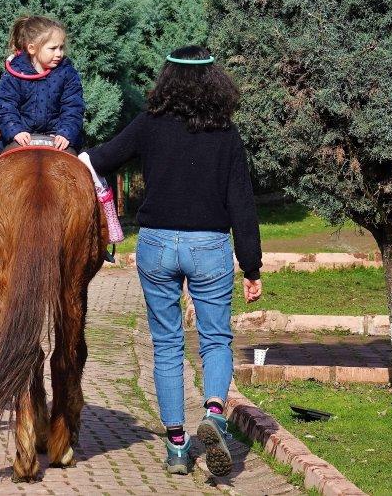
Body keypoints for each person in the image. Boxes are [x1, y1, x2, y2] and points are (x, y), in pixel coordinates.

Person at [80, 45, 264, 477]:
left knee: (166, 346)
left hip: (157, 245)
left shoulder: (149, 125)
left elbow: (96, 160)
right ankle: (215, 414)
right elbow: (242, 204)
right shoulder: (226, 133)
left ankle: (178, 448)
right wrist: (251, 266)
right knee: (216, 338)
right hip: (209, 247)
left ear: (167, 80)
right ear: (214, 83)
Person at [0, 15, 123, 247]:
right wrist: (15, 130)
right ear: (32, 48)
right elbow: (4, 107)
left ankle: (107, 215)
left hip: (58, 138)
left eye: (61, 47)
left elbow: (73, 106)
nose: (59, 53)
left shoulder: (67, 73)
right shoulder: (13, 73)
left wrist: (66, 133)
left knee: (90, 166)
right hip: (22, 138)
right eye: (53, 48)